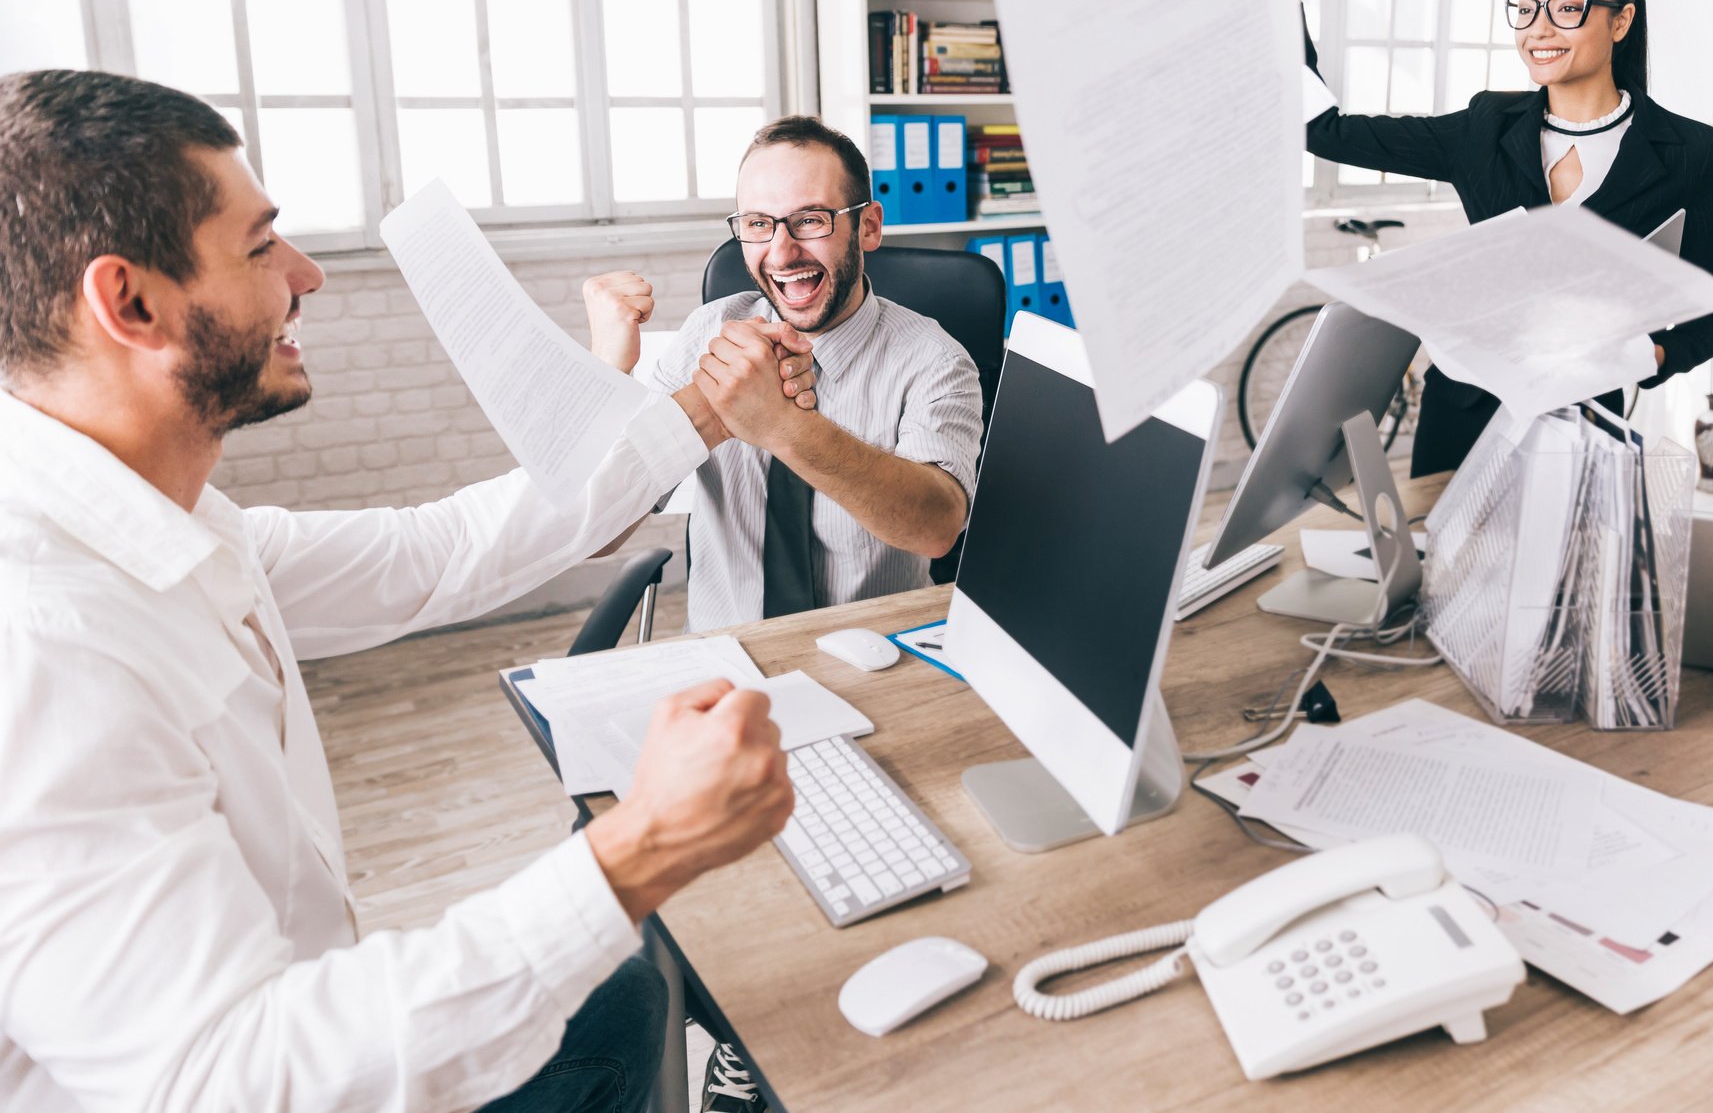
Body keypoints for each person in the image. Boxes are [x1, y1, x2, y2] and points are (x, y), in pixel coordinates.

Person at [0, 69, 806, 1112]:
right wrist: (643, 844)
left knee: (618, 999)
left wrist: (702, 411)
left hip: (311, 1022)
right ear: (132, 302)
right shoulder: (45, 643)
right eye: (259, 247)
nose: (306, 275)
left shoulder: (168, 522)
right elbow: (223, 1079)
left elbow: (442, 550)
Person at [1296, 0, 1713, 474]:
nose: (1538, 29)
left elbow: (1711, 316)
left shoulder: (1687, 149)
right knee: (1444, 559)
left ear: (1620, 21)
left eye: (1567, 8)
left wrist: (1640, 356)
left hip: (1583, 424)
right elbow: (1322, 131)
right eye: (1525, 9)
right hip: (1462, 418)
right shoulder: (1484, 128)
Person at [584, 116, 983, 628]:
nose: (781, 251)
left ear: (869, 226)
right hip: (723, 657)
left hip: (872, 660)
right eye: (758, 223)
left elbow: (938, 527)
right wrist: (607, 370)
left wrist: (784, 427)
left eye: (811, 219)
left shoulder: (935, 359)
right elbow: (598, 535)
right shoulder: (709, 331)